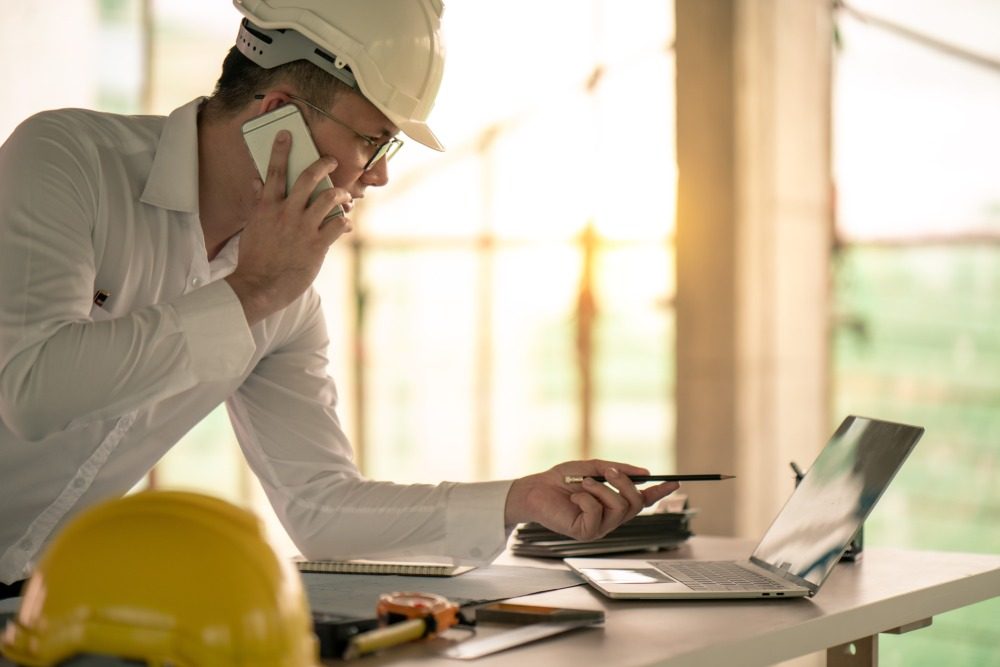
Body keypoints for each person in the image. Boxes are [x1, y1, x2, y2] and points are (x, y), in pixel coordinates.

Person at [0, 0, 679, 598]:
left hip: (35, 597)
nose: (380, 174)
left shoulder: (285, 299)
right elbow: (29, 390)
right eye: (371, 138)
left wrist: (519, 498)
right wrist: (251, 289)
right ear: (277, 118)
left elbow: (319, 504)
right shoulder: (67, 160)